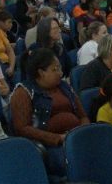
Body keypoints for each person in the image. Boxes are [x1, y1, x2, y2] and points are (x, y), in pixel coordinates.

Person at [10, 48, 89, 177]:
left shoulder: (64, 86)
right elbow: (22, 128)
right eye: (55, 69)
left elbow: (82, 115)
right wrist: (58, 139)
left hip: (76, 137)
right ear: (41, 72)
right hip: (50, 145)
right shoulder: (23, 92)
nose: (60, 73)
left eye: (60, 68)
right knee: (79, 162)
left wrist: (83, 131)